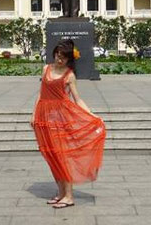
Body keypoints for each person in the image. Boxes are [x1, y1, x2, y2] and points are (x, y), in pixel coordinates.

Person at [30, 39, 106, 209]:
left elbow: (77, 99)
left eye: (63, 57)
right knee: (51, 157)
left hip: (61, 118)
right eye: (57, 55)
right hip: (44, 118)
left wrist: (91, 115)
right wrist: (34, 114)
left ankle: (69, 196)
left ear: (69, 59)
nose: (59, 59)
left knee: (62, 157)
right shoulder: (46, 69)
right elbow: (40, 94)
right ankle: (61, 193)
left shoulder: (69, 75)